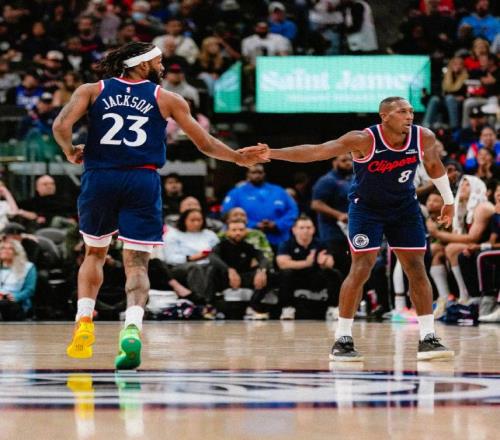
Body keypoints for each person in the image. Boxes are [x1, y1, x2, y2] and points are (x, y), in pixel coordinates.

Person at [52, 41, 266, 369]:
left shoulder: (92, 90)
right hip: (142, 179)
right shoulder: (167, 98)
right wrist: (237, 158)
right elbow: (205, 143)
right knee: (138, 262)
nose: (162, 67)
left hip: (100, 178)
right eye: (158, 61)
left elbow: (60, 126)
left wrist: (69, 151)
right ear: (141, 64)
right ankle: (132, 327)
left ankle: (83, 320)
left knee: (94, 253)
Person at [245, 97, 456, 361]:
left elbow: (434, 166)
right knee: (361, 268)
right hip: (366, 210)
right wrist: (272, 153)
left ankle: (428, 337)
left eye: (411, 111)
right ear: (385, 116)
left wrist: (449, 200)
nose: (409, 116)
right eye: (402, 111)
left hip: (404, 208)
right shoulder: (363, 139)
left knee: (416, 267)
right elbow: (317, 151)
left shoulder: (423, 136)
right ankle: (342, 338)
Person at [276, 215, 341, 321]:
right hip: (296, 277)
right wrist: (307, 263)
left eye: (308, 227)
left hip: (315, 277)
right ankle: (287, 309)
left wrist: (323, 263)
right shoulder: (287, 244)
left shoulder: (321, 244)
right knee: (285, 273)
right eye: (302, 228)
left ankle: (333, 308)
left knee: (334, 273)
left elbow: (330, 263)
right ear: (294, 230)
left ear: (313, 229)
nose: (305, 230)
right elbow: (282, 264)